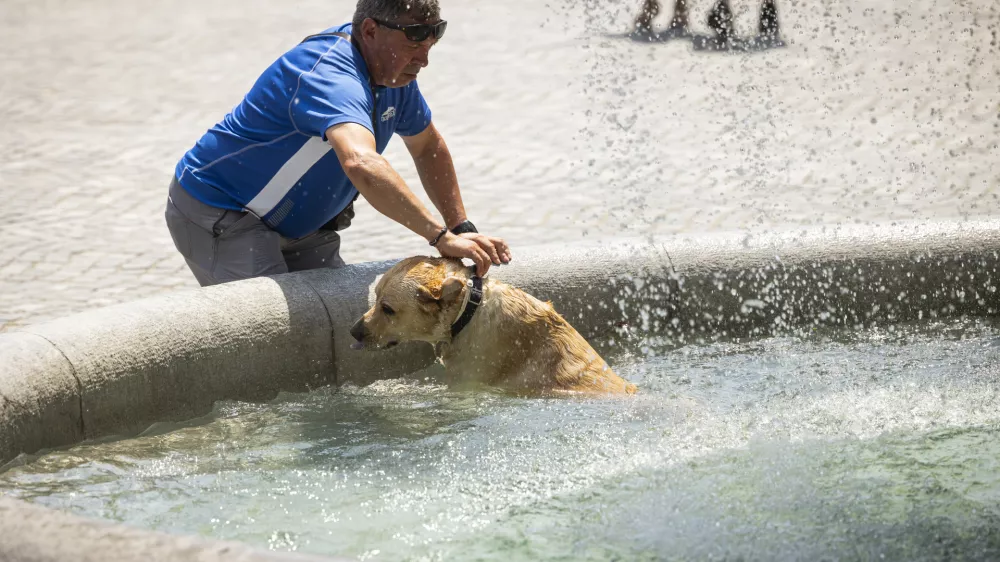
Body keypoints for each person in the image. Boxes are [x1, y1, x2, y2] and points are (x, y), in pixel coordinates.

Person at [164, 0, 511, 287]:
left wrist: (460, 227)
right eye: (413, 45)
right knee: (273, 345)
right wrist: (439, 238)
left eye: (429, 45)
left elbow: (427, 147)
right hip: (224, 213)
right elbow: (361, 163)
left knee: (340, 334)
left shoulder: (393, 73)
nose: (424, 60)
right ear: (371, 30)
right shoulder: (330, 75)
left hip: (301, 226)